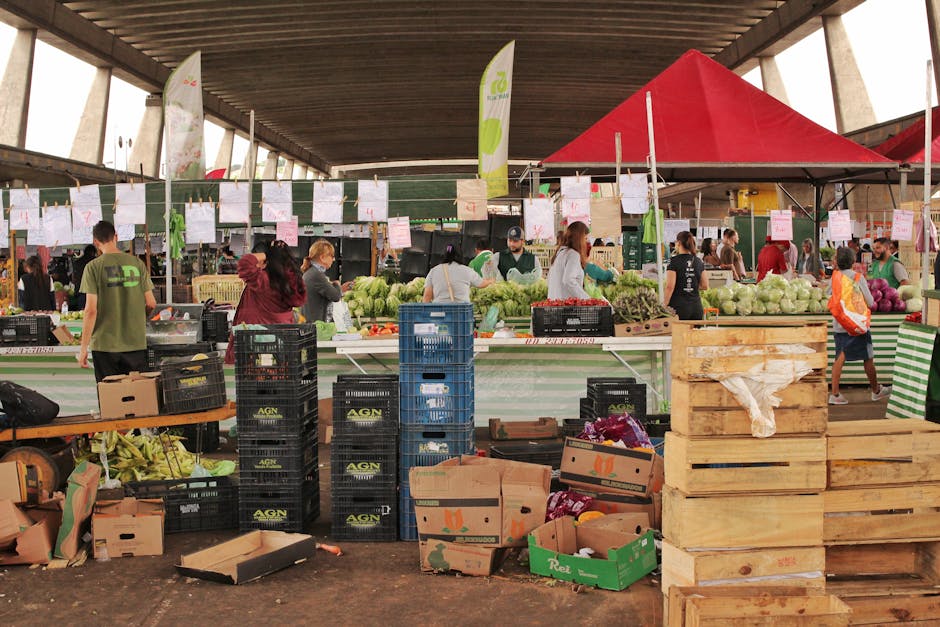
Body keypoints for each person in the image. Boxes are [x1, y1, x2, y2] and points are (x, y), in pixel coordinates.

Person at [77, 221, 156, 382]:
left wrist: (84, 347)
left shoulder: (93, 267)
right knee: (137, 393)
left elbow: (91, 310)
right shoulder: (137, 264)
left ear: (96, 242)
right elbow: (151, 303)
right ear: (116, 237)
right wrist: (139, 318)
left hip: (104, 345)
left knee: (110, 394)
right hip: (135, 342)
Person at [225, 240, 306, 364]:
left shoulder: (263, 280)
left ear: (266, 261)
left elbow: (244, 263)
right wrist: (275, 253)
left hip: (257, 343)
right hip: (281, 343)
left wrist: (267, 254)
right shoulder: (290, 280)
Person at [829, 246, 891, 405]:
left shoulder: (834, 277)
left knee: (839, 357)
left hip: (840, 324)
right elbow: (870, 301)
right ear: (853, 261)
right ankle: (876, 390)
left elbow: (828, 298)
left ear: (837, 262)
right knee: (867, 357)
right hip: (857, 324)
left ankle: (835, 394)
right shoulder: (858, 277)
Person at [423, 244, 493, 303]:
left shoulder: (434, 271)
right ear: (460, 255)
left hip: (439, 312)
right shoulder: (467, 270)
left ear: (445, 255)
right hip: (461, 312)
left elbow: (427, 296)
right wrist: (491, 280)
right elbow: (482, 284)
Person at [301, 239, 350, 322]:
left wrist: (337, 287)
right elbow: (335, 296)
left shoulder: (312, 272)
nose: (333, 259)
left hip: (311, 322)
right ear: (322, 258)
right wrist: (336, 284)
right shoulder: (316, 275)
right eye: (331, 256)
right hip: (315, 324)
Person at [663, 231, 709, 320]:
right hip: (696, 308)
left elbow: (669, 287)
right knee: (694, 330)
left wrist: (663, 306)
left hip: (679, 308)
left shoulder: (673, 261)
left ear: (679, 243)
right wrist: (691, 286)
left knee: (679, 330)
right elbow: (705, 285)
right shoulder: (698, 261)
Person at [547, 221, 591, 300]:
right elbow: (568, 280)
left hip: (555, 302)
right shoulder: (573, 254)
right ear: (579, 238)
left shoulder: (560, 253)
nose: (586, 242)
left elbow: (549, 279)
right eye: (585, 238)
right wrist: (586, 298)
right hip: (566, 305)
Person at [72, 244, 97, 309]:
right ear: (93, 252)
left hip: (80, 291)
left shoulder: (77, 262)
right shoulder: (96, 262)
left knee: (82, 312)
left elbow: (74, 278)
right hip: (93, 292)